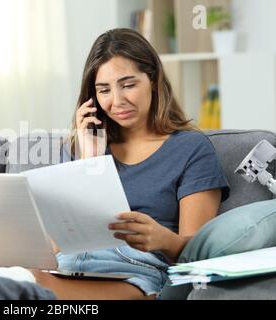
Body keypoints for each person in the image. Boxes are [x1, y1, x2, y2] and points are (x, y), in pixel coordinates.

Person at [30, 28, 230, 300]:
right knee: (11, 278)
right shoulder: (82, 148)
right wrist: (89, 160)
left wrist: (162, 238)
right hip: (68, 267)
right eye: (104, 90)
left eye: (128, 84)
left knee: (28, 288)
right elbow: (57, 244)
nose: (117, 101)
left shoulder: (191, 149)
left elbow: (199, 252)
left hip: (136, 272)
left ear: (154, 81)